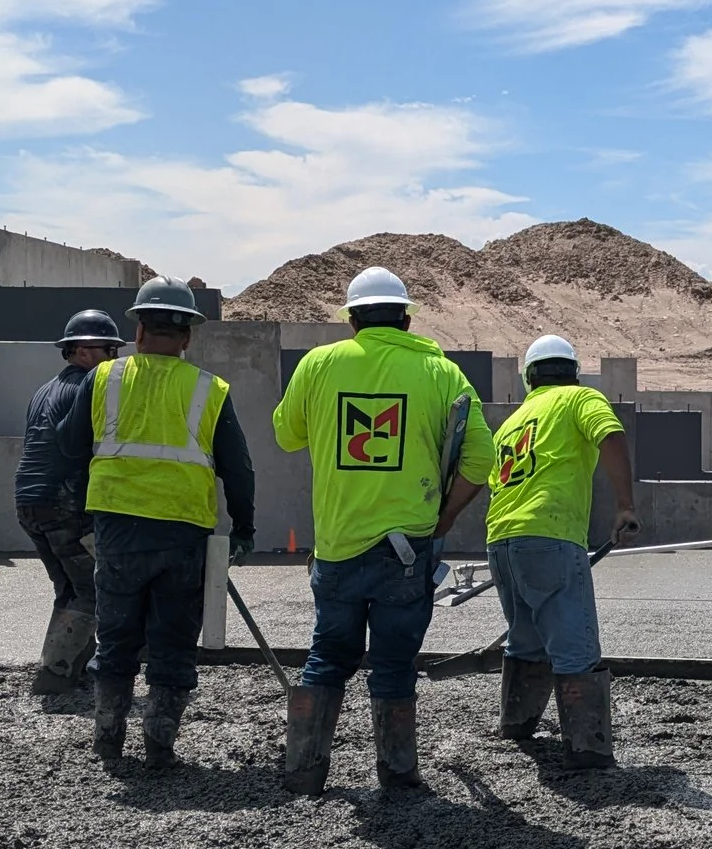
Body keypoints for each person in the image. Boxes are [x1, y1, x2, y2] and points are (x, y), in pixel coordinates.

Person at [274, 268, 498, 794]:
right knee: (394, 665)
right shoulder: (442, 374)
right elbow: (480, 459)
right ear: (406, 315)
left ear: (352, 318)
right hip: (406, 551)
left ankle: (304, 771)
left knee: (327, 655)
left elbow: (286, 435)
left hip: (336, 547)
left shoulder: (319, 364)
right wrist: (443, 520)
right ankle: (398, 776)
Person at [58, 278, 256, 768]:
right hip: (183, 533)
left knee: (118, 635)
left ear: (139, 328)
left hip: (119, 530)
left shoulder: (104, 378)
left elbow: (67, 445)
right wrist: (244, 529)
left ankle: (107, 740)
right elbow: (239, 468)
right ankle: (160, 745)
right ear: (187, 335)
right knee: (172, 640)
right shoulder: (210, 389)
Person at [486, 335, 642, 767]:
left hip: (501, 542)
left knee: (526, 639)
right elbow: (610, 434)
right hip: (550, 537)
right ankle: (588, 749)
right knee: (575, 645)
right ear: (573, 371)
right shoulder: (579, 399)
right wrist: (625, 506)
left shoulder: (514, 422)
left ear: (529, 378)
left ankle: (517, 726)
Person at [14, 308, 121, 694]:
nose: (114, 359)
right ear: (86, 350)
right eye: (110, 350)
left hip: (30, 502)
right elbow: (80, 447)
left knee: (70, 589)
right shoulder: (85, 389)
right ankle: (55, 677)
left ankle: (67, 672)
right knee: (94, 588)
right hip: (64, 506)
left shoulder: (45, 389)